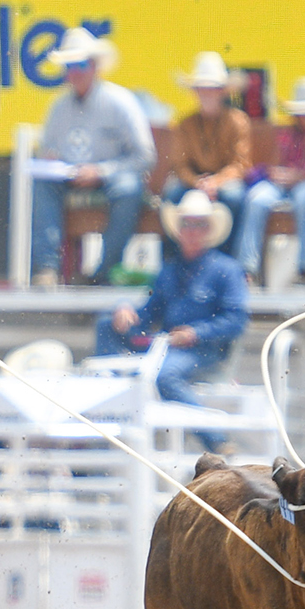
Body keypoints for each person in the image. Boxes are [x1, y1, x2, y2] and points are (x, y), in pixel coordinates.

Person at [95, 190, 248, 454]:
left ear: (209, 229)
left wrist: (196, 333)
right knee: (106, 324)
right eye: (187, 223)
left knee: (164, 375)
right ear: (179, 228)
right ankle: (108, 422)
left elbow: (236, 320)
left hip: (206, 350)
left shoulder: (226, 269)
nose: (192, 230)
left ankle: (217, 439)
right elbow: (149, 313)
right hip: (168, 347)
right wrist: (126, 313)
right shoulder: (169, 270)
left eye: (199, 224)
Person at [29, 28, 155, 287]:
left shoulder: (120, 101)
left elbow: (145, 156)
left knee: (130, 189)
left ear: (95, 66)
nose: (74, 72)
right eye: (68, 66)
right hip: (70, 178)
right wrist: (54, 163)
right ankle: (47, 269)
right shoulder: (58, 107)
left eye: (80, 64)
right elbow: (47, 152)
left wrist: (101, 171)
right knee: (41, 183)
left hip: (111, 179)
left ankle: (103, 271)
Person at [237, 75, 305, 285]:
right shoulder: (286, 134)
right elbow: (275, 163)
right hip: (281, 184)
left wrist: (299, 177)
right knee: (256, 198)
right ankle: (247, 269)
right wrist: (278, 174)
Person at [164, 52, 250, 251]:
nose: (207, 94)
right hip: (194, 181)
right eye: (203, 89)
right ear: (195, 92)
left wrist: (215, 182)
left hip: (224, 182)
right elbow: (179, 164)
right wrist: (197, 182)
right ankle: (174, 259)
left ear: (222, 92)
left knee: (234, 197)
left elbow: (240, 165)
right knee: (171, 195)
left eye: (212, 89)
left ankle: (229, 258)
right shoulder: (186, 123)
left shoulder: (238, 121)